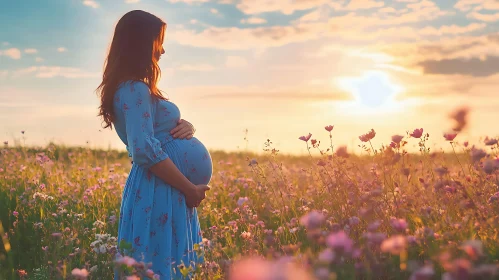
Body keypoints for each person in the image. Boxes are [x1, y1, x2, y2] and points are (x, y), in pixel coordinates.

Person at [96, 10, 213, 279]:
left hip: (165, 188)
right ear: (140, 43)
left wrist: (188, 126)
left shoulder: (133, 88)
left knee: (165, 265)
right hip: (160, 189)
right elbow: (144, 150)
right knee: (159, 267)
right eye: (157, 41)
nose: (161, 50)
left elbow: (154, 132)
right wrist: (190, 189)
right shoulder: (133, 89)